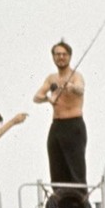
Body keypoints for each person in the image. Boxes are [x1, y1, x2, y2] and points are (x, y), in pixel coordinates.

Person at [33, 40, 87, 190]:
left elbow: (80, 88)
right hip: (57, 126)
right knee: (56, 169)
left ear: (69, 56)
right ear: (53, 57)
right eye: (57, 54)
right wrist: (47, 99)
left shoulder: (76, 76)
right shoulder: (51, 78)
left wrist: (71, 87)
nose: (61, 57)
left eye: (64, 54)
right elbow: (36, 97)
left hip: (74, 125)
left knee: (75, 170)